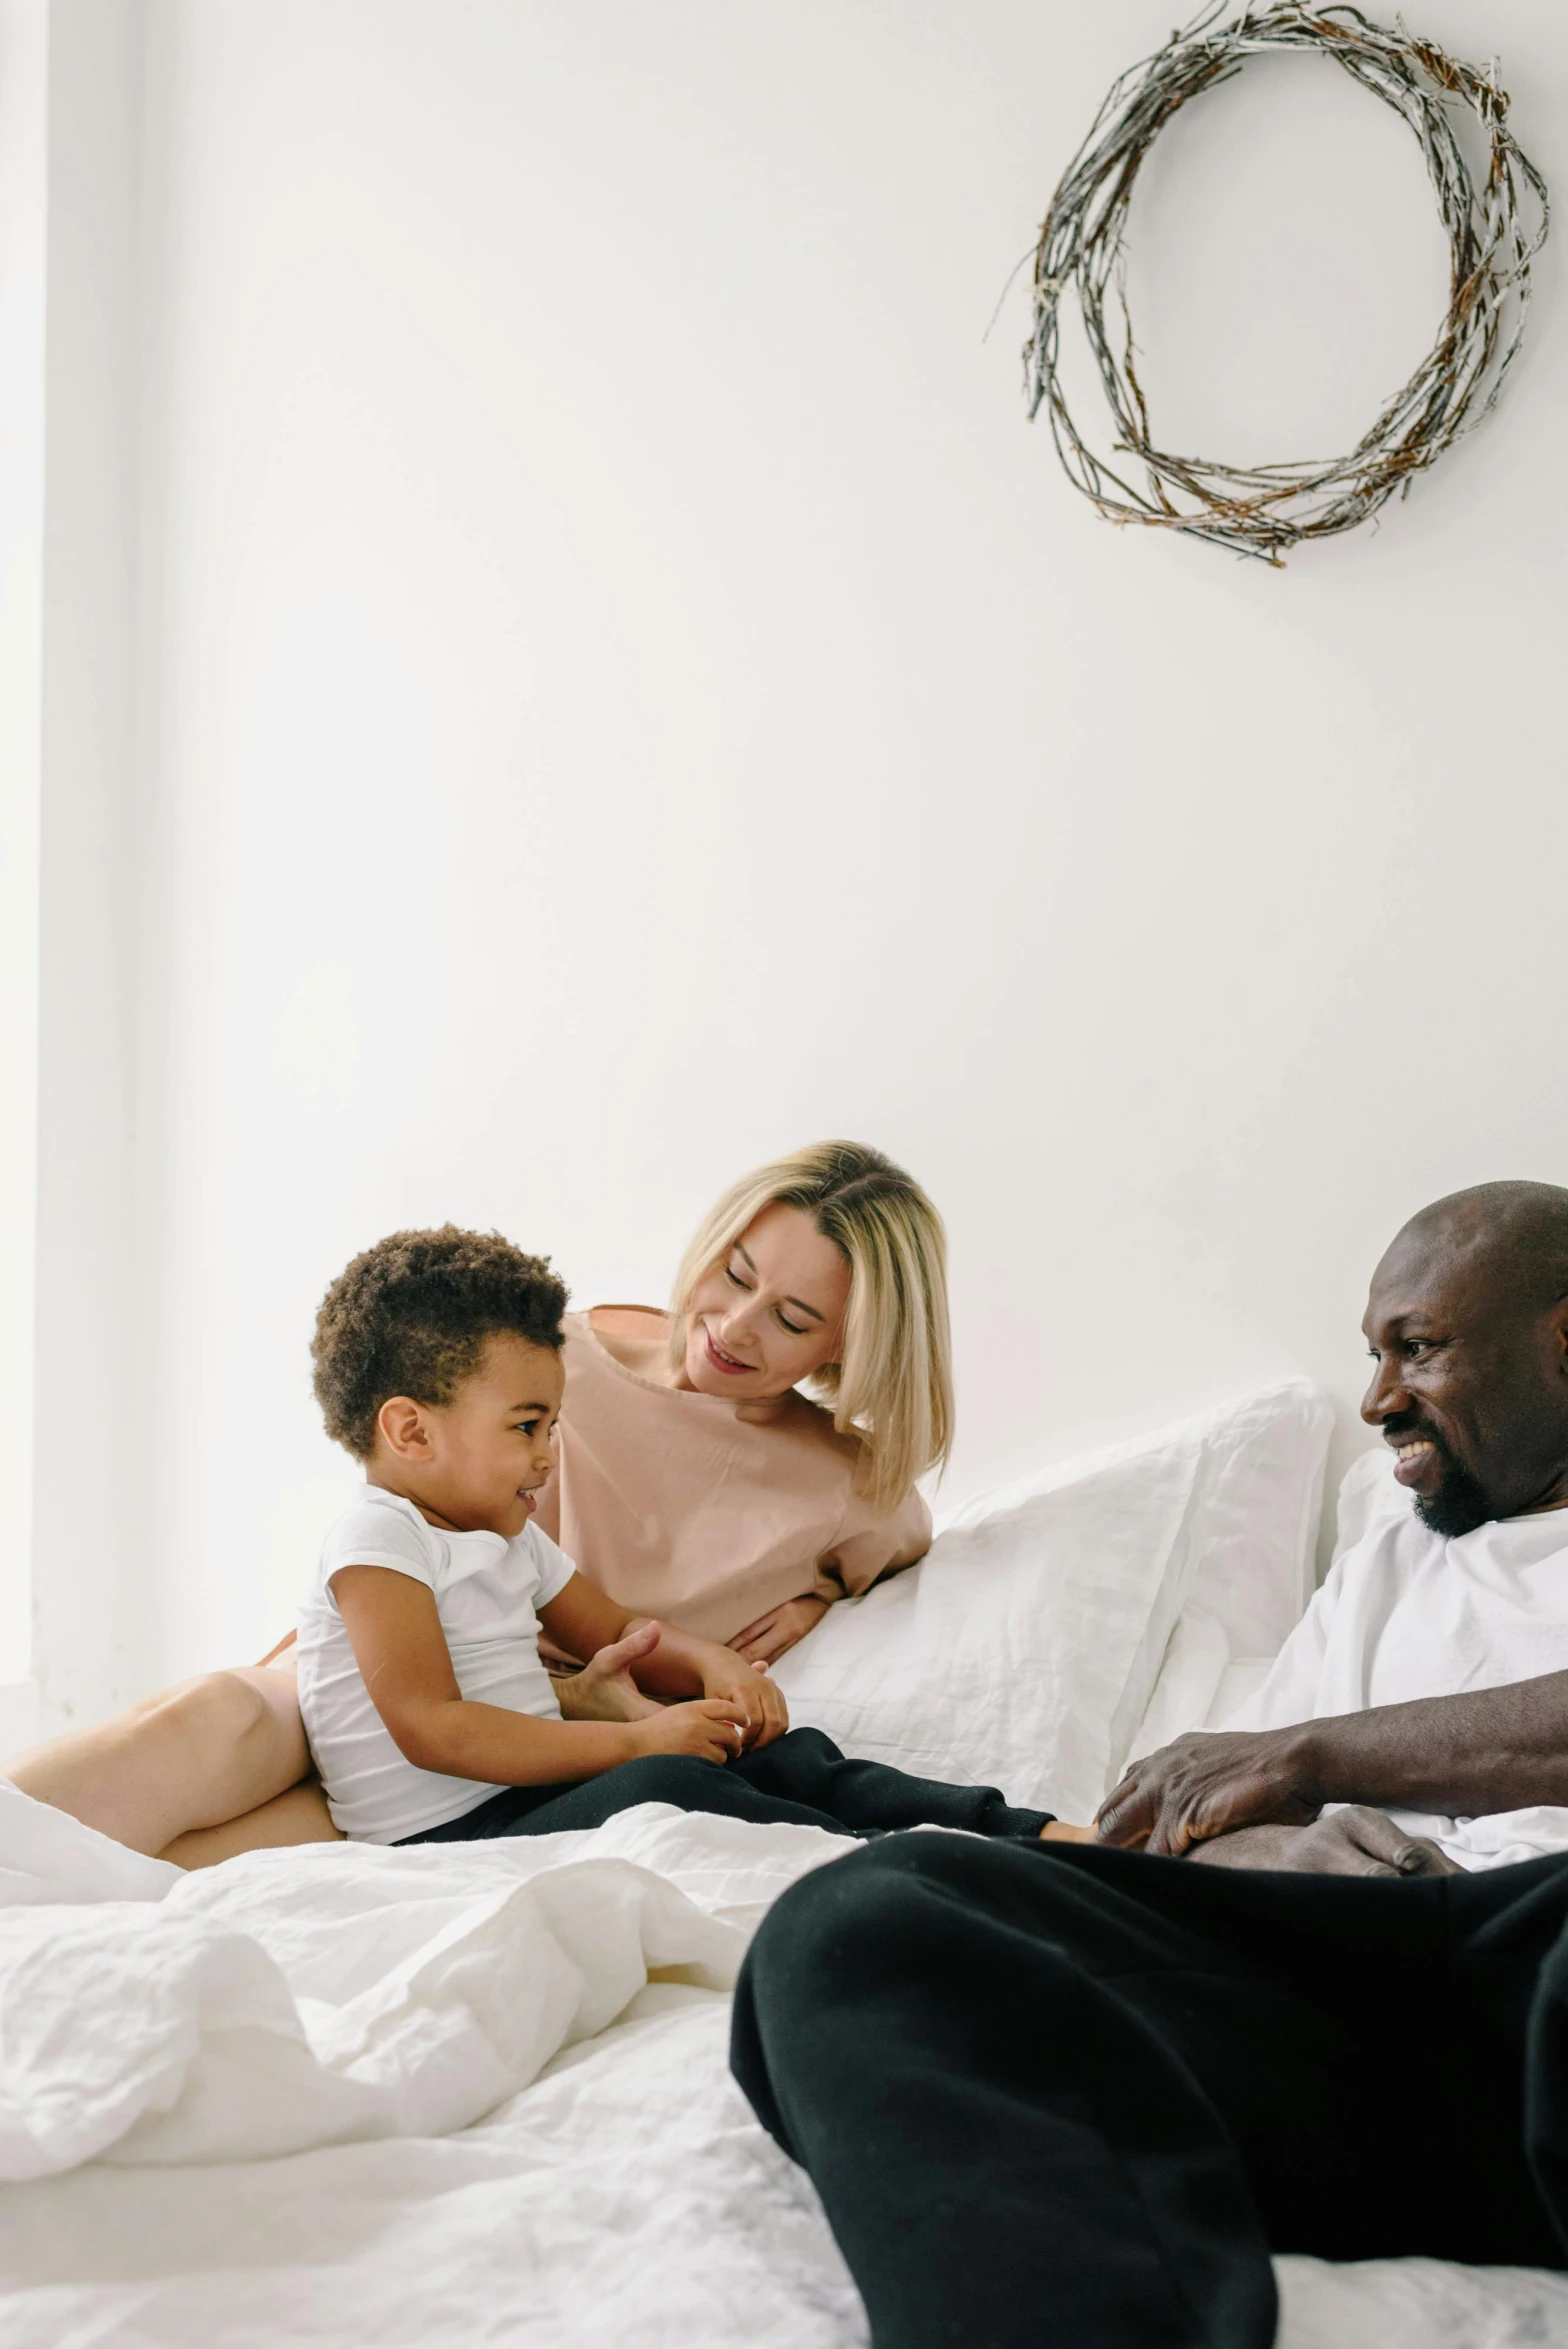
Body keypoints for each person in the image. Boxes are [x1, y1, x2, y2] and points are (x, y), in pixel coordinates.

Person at [729, 1180, 1568, 2349]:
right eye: (1370, 1356)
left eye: (1416, 1349)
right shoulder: (1382, 1567)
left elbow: (1271, 1755)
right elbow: (1208, 1810)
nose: (1377, 1399)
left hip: (1539, 1951)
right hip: (1341, 2010)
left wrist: (1310, 1753)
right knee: (866, 1917)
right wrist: (1276, 1840)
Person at [2, 1141, 950, 1863]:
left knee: (198, 1871)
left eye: (791, 1317)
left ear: (847, 1345)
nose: (733, 1326)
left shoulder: (850, 1489)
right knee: (217, 1717)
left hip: (517, 1737)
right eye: (735, 1273)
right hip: (393, 1657)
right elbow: (406, 1505)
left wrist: (815, 1598)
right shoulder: (560, 1348)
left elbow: (897, 1543)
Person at [297, 1222, 1054, 1848]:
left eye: (553, 1425)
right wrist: (634, 1744)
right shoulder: (378, 1542)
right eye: (528, 1426)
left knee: (778, 1754)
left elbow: (620, 1627)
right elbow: (439, 1730)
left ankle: (1028, 1833)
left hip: (525, 1795)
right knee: (671, 1782)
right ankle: (892, 1857)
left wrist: (716, 1663)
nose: (546, 1454)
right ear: (409, 1430)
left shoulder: (508, 1536)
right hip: (451, 1835)